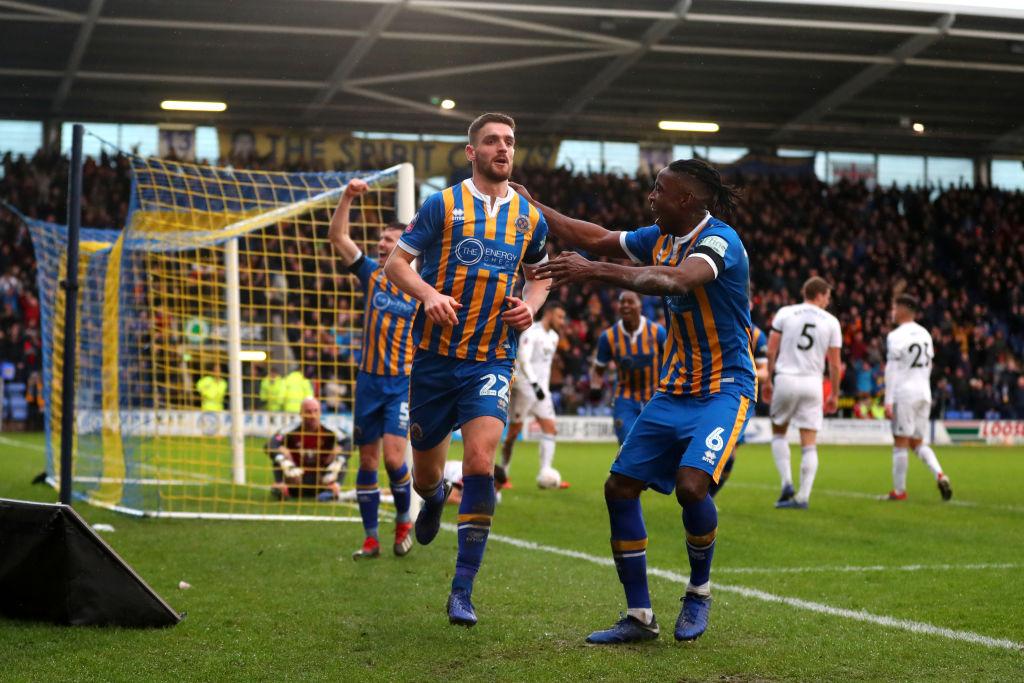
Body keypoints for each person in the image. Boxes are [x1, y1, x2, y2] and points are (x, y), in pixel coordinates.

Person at [515, 158, 753, 644]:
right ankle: (640, 617)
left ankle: (699, 592)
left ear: (686, 199)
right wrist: (532, 205)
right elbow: (596, 236)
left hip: (725, 387)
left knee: (691, 488)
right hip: (674, 389)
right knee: (618, 487)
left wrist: (594, 272)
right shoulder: (660, 237)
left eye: (659, 190)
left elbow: (677, 281)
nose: (651, 197)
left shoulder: (718, 241)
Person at [383, 112, 550, 627]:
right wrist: (430, 295)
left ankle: (462, 591)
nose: (503, 148)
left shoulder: (530, 217)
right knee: (426, 476)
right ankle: (432, 498)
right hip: (434, 361)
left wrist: (532, 305)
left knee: (480, 462)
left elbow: (540, 275)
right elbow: (395, 265)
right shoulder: (443, 205)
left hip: (492, 359)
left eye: (509, 142)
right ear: (471, 152)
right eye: (492, 141)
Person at [328, 177, 418, 559]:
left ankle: (403, 520)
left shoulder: (420, 286)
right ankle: (370, 538)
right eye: (380, 240)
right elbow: (338, 237)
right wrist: (347, 197)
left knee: (394, 459)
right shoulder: (372, 274)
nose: (381, 245)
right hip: (367, 381)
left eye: (388, 241)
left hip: (401, 383)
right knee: (367, 460)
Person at [762, 276, 842, 510]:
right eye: (827, 297)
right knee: (809, 442)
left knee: (779, 432)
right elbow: (835, 364)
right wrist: (834, 394)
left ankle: (787, 482)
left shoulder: (785, 313)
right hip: (812, 383)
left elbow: (772, 349)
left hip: (786, 379)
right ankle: (803, 497)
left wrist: (769, 380)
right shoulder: (831, 322)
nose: (828, 302)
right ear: (818, 295)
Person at [880, 293, 952, 501]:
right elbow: (929, 366)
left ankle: (899, 492)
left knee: (901, 442)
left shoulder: (896, 336)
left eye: (894, 309)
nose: (892, 313)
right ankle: (940, 474)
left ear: (902, 311)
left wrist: (888, 401)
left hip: (904, 394)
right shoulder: (925, 334)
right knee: (918, 442)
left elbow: (891, 371)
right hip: (923, 393)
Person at [499, 301, 568, 488]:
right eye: (559, 317)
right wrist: (535, 385)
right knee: (513, 433)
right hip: (526, 388)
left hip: (541, 392)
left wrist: (542, 388)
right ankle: (503, 474)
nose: (562, 322)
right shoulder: (532, 333)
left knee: (551, 429)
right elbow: (524, 359)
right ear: (549, 313)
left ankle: (546, 472)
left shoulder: (553, 337)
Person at [590, 290, 666, 446]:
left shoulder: (657, 332)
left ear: (640, 307)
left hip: (654, 397)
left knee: (657, 445)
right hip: (624, 397)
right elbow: (598, 369)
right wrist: (595, 386)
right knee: (628, 444)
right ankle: (625, 469)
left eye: (630, 302)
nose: (625, 305)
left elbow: (673, 359)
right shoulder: (608, 337)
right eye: (622, 302)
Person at [709, 319, 768, 497]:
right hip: (711, 394)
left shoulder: (757, 335)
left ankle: (707, 496)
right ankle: (700, 495)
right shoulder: (715, 324)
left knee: (729, 454)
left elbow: (765, 371)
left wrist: (743, 375)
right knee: (713, 450)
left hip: (740, 397)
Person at [266, 396, 348, 500]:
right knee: (281, 450)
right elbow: (270, 444)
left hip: (322, 480)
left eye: (315, 411)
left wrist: (339, 461)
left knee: (340, 450)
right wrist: (284, 462)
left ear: (320, 412)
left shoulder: (329, 430)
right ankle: (281, 487)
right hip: (296, 479)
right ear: (301, 414)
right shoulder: (291, 430)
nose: (313, 415)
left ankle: (333, 489)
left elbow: (349, 443)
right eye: (308, 412)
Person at [443, 462, 508, 506]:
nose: (495, 491)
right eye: (493, 485)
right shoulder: (465, 473)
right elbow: (449, 498)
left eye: (499, 489)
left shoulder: (496, 497)